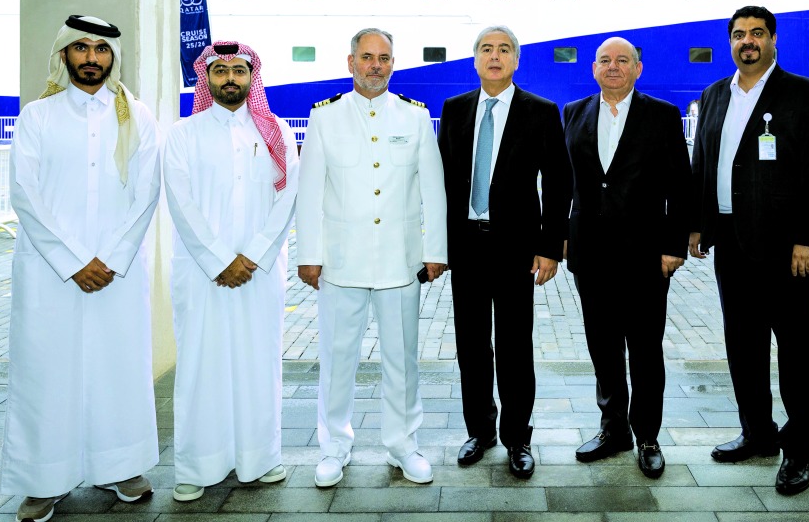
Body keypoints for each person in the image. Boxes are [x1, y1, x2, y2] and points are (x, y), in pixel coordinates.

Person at [1, 15, 162, 522]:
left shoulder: (136, 116)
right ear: (64, 54)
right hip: (51, 272)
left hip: (116, 270)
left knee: (118, 367)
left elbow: (147, 191)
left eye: (101, 49)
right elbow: (24, 192)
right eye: (82, 48)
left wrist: (109, 258)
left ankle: (122, 466)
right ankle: (43, 479)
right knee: (47, 372)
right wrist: (73, 261)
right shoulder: (37, 116)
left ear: (113, 57)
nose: (92, 57)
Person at [687, 5, 809, 497]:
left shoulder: (804, 94)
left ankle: (800, 447)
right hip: (731, 241)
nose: (746, 41)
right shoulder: (715, 94)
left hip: (787, 247)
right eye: (738, 34)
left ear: (773, 39)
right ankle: (757, 433)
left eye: (756, 33)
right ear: (730, 42)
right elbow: (702, 162)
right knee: (743, 344)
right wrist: (697, 224)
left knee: (797, 350)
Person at [297, 28, 447, 488]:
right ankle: (334, 448)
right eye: (367, 57)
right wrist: (309, 254)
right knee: (337, 359)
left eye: (384, 58)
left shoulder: (415, 116)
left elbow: (433, 190)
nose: (375, 66)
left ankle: (403, 445)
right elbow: (310, 192)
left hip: (399, 263)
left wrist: (434, 251)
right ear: (351, 63)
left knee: (402, 360)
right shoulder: (325, 117)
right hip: (341, 263)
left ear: (393, 64)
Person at [163, 41, 299, 502]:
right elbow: (180, 201)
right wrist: (221, 259)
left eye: (239, 71)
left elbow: (287, 198)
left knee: (259, 363)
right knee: (201, 364)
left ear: (251, 77)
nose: (230, 79)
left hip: (260, 273)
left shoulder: (276, 131)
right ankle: (197, 466)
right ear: (206, 78)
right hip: (203, 273)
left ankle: (261, 458)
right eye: (220, 71)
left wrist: (254, 255)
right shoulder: (184, 134)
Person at [437, 25, 571, 479]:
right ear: (475, 59)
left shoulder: (541, 111)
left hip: (516, 248)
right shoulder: (455, 109)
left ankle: (518, 437)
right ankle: (480, 431)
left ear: (516, 60)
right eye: (486, 49)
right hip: (466, 246)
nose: (495, 56)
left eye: (504, 49)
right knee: (471, 345)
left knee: (514, 346)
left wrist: (550, 247)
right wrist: (437, 245)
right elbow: (442, 182)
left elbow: (559, 182)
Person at [562, 36, 692, 479]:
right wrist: (560, 237)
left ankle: (648, 436)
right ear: (593, 69)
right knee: (603, 348)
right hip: (590, 253)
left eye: (623, 60)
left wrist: (673, 246)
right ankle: (613, 429)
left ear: (638, 68)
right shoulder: (573, 112)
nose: (613, 66)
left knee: (645, 350)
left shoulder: (662, 115)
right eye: (605, 60)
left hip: (646, 256)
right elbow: (566, 183)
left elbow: (681, 186)